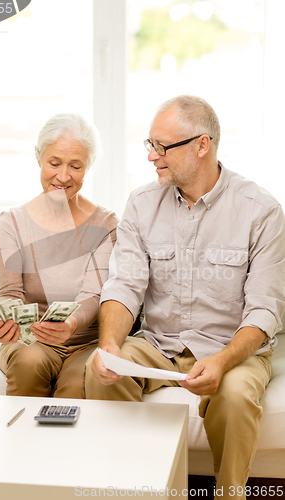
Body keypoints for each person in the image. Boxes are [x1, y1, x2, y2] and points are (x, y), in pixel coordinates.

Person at [85, 95, 285, 498]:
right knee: (101, 372)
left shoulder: (260, 211)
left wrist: (222, 360)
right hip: (160, 344)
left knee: (236, 397)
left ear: (202, 145)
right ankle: (134, 490)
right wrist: (109, 346)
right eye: (150, 145)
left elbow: (264, 310)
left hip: (231, 350)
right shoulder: (142, 205)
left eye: (162, 147)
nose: (151, 157)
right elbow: (124, 285)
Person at [0, 113, 118, 398]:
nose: (63, 176)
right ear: (38, 158)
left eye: (76, 166)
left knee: (78, 384)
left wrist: (70, 324)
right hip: (31, 339)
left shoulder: (105, 224)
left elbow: (95, 295)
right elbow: (9, 291)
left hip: (86, 342)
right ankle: (20, 442)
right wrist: (5, 320)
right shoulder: (11, 223)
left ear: (88, 166)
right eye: (54, 163)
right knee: (28, 363)